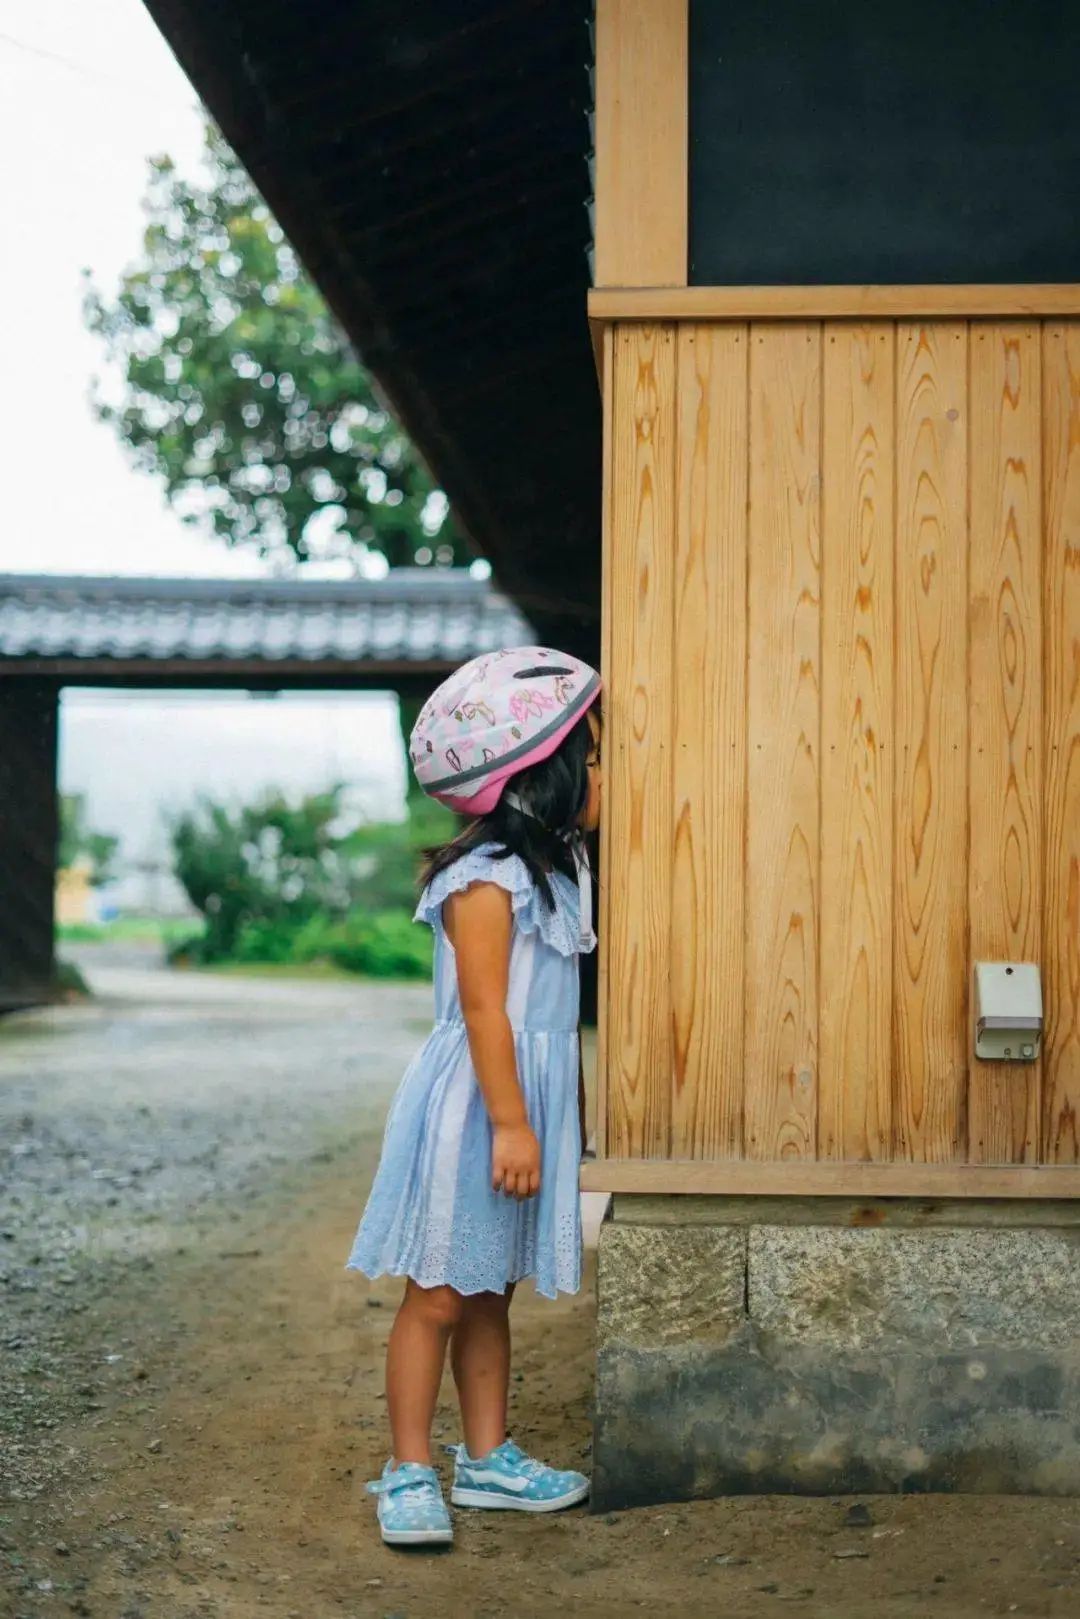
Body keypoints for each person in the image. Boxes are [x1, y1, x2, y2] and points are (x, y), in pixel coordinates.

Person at [345, 646, 602, 1547]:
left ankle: (487, 1457)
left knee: (489, 1290)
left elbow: (546, 1015)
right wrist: (512, 1123)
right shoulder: (482, 879)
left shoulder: (560, 870)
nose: (602, 773)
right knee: (440, 1293)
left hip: (517, 1111)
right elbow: (487, 1011)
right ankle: (409, 1466)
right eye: (594, 757)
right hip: (477, 1110)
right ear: (544, 774)